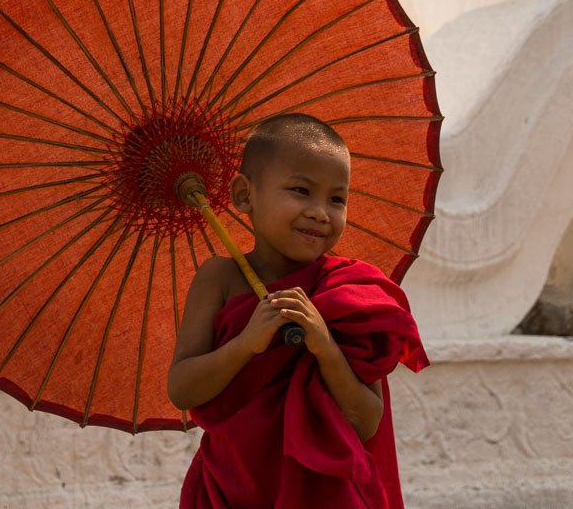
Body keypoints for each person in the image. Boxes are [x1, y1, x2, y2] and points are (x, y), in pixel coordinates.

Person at [168, 113, 428, 508]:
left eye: (336, 198)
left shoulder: (348, 293)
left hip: (324, 492)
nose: (320, 212)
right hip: (232, 486)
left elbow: (366, 420)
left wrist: (326, 348)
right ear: (244, 194)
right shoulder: (219, 278)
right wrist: (245, 345)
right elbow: (182, 388)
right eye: (301, 190)